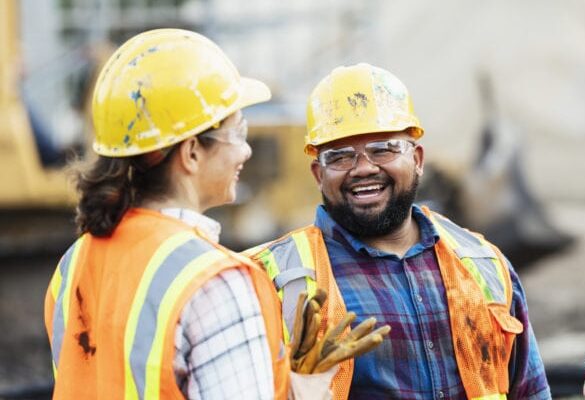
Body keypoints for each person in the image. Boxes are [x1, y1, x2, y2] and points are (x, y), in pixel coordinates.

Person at [43, 29, 387, 400]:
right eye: (238, 133)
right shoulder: (216, 283)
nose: (246, 152)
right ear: (191, 152)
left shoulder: (74, 262)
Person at [246, 63, 551, 400]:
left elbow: (529, 390)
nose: (363, 168)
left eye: (383, 149)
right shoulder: (270, 279)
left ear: (417, 158)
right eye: (341, 156)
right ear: (319, 174)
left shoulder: (483, 263)